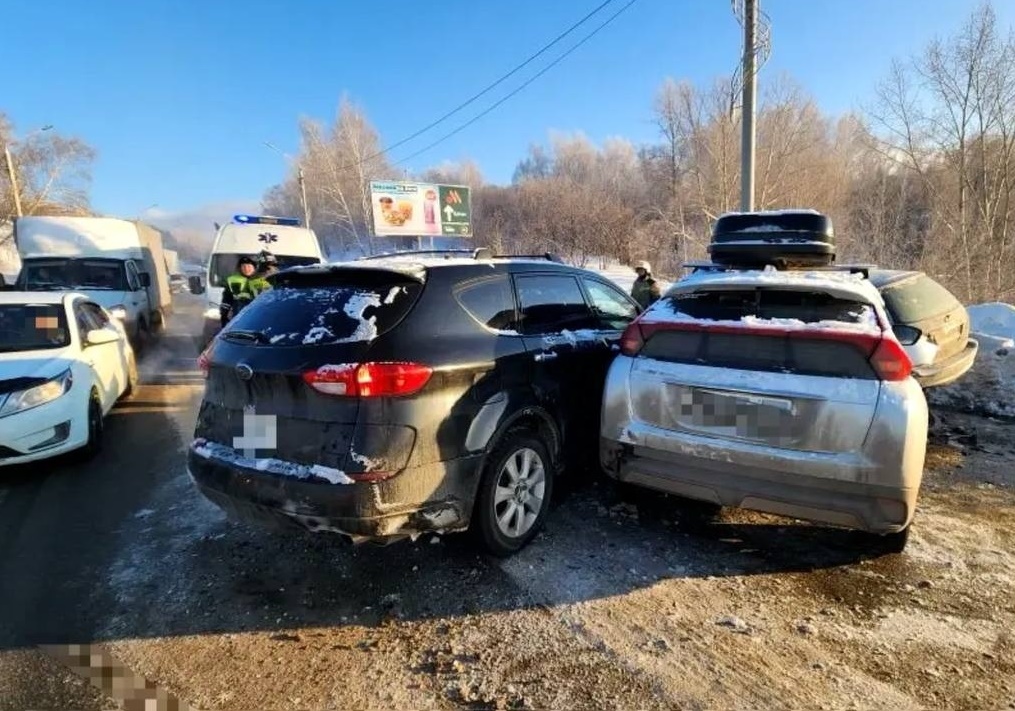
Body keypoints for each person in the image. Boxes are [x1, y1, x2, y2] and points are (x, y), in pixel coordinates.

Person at [220, 255, 258, 327]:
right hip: (238, 316)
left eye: (249, 266)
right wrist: (224, 314)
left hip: (257, 315)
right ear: (240, 268)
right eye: (243, 266)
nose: (246, 269)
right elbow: (227, 299)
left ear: (254, 267)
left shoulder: (262, 279)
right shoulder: (232, 280)